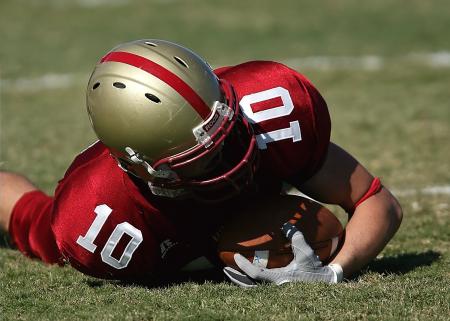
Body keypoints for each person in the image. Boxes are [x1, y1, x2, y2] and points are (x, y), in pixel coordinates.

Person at [0, 39, 402, 285]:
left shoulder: (268, 109)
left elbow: (376, 200)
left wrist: (333, 273)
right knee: (35, 222)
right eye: (199, 157)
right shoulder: (98, 220)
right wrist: (218, 252)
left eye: (224, 133)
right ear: (142, 167)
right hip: (154, 218)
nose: (228, 158)